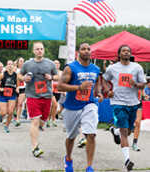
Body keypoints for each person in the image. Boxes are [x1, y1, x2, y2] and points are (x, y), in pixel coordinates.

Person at [57, 43, 103, 172]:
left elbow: (97, 85)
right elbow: (60, 86)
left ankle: (89, 166)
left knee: (91, 134)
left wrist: (98, 93)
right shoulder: (70, 68)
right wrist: (78, 87)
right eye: (83, 49)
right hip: (72, 106)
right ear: (78, 52)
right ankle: (68, 158)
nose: (87, 51)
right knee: (71, 137)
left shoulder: (95, 69)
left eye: (89, 49)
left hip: (90, 104)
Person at [103, 45, 146, 171]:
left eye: (128, 51)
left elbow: (142, 85)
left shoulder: (137, 67)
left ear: (130, 54)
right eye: (124, 51)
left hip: (133, 103)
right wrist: (107, 90)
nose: (126, 53)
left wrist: (136, 84)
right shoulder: (113, 68)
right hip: (118, 102)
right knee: (124, 132)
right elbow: (105, 80)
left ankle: (114, 131)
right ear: (119, 54)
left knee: (128, 131)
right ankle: (127, 160)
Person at [18, 41, 58, 158]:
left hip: (46, 96)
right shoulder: (27, 64)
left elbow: (57, 76)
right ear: (33, 51)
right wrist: (24, 78)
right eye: (37, 49)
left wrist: (51, 77)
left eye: (41, 49)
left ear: (43, 50)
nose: (39, 51)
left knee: (42, 121)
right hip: (32, 96)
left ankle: (41, 125)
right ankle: (35, 147)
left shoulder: (50, 64)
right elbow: (19, 75)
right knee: (35, 121)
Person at [0, 60, 19, 133]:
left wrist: (17, 89)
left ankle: (6, 126)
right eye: (8, 64)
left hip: (12, 95)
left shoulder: (16, 75)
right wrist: (0, 88)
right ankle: (1, 116)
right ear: (6, 66)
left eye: (11, 64)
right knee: (4, 112)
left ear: (13, 66)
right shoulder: (3, 74)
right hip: (3, 95)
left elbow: (17, 85)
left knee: (10, 112)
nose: (10, 65)